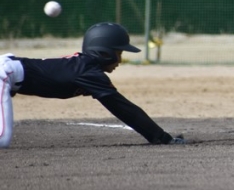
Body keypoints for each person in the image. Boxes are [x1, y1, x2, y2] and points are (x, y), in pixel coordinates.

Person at [0, 22, 186, 148]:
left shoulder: (84, 66)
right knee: (3, 139)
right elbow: (123, 108)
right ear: (105, 52)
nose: (120, 60)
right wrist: (162, 138)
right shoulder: (89, 73)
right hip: (5, 74)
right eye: (119, 53)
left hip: (8, 73)